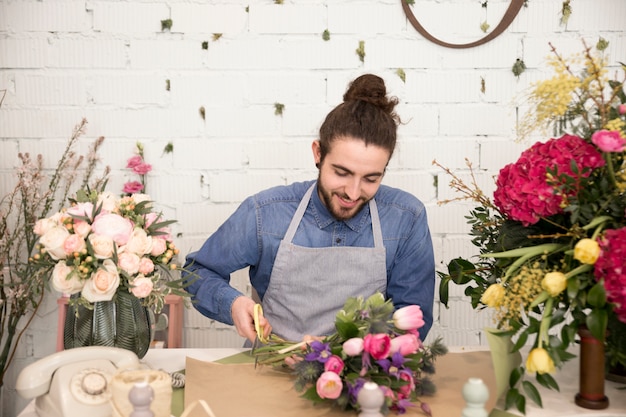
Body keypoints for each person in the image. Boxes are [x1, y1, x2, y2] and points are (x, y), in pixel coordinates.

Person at [183, 74, 435, 345]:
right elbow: (196, 272)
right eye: (341, 173)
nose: (352, 192)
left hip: (360, 374)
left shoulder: (406, 218)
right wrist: (232, 303)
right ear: (318, 153)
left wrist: (351, 357)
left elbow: (411, 317)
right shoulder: (265, 213)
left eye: (371, 179)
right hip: (271, 368)